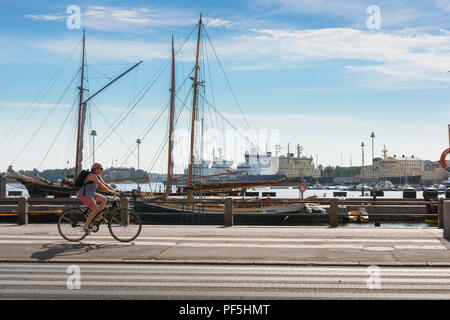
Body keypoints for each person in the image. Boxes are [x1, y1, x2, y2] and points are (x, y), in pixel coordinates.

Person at [77, 163, 117, 233]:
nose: (102, 170)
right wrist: (109, 191)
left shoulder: (97, 176)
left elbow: (104, 184)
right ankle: (86, 226)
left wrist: (113, 190)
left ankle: (99, 217)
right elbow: (100, 185)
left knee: (104, 199)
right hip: (84, 195)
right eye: (101, 168)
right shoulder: (92, 176)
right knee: (95, 209)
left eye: (102, 168)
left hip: (91, 194)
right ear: (95, 168)